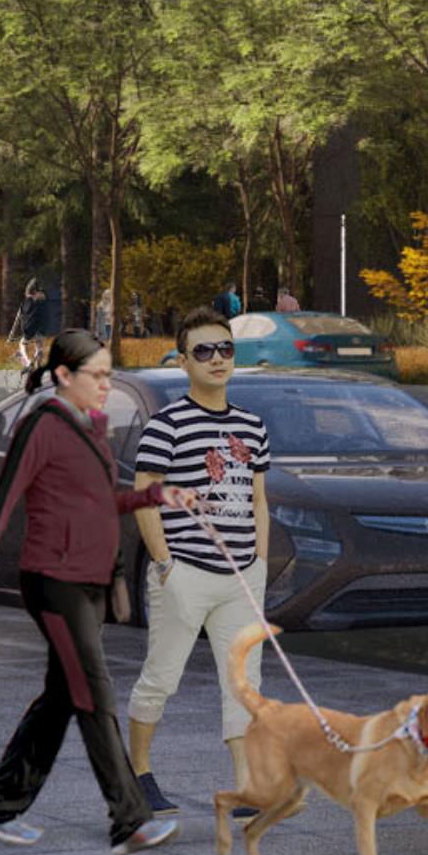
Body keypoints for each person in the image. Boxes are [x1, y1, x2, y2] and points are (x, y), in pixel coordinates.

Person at [0, 332, 162, 849]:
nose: (108, 385)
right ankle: (131, 818)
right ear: (64, 376)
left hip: (88, 580)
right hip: (52, 578)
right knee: (93, 690)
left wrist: (156, 495)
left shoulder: (93, 428)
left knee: (61, 699)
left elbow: (100, 501)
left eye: (111, 375)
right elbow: (3, 497)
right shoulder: (40, 425)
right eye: (98, 376)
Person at [114, 316, 281, 779]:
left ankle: (247, 784)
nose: (217, 359)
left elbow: (259, 501)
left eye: (225, 349)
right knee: (161, 678)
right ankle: (139, 775)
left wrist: (260, 564)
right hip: (184, 571)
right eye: (203, 351)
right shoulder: (166, 426)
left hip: (242, 577)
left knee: (244, 683)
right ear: (183, 360)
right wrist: (165, 563)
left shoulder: (253, 427)